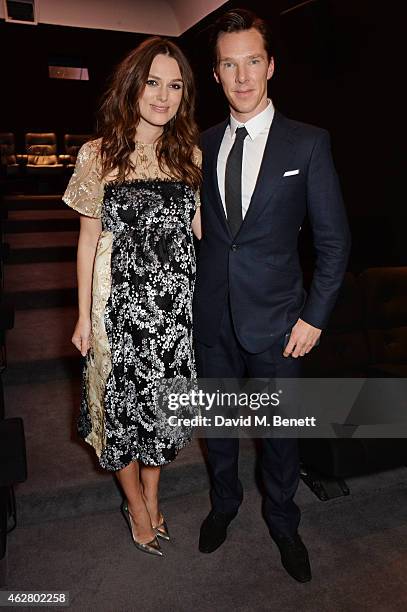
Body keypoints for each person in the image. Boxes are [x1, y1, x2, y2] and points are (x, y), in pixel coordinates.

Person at [194, 9, 351, 582]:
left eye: (252, 61)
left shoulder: (308, 144)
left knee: (281, 440)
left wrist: (314, 318)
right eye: (229, 65)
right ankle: (224, 505)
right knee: (219, 432)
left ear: (271, 66)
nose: (241, 76)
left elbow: (335, 243)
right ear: (215, 75)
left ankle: (284, 524)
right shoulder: (200, 146)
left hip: (281, 327)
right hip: (211, 322)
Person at [63, 37, 202, 557]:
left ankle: (152, 490)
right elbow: (87, 240)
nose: (163, 96)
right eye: (152, 83)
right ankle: (137, 506)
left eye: (175, 86)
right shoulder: (97, 154)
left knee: (161, 417)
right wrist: (82, 317)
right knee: (121, 415)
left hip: (172, 315)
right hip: (116, 310)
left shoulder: (189, 155)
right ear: (132, 85)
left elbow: (205, 232)